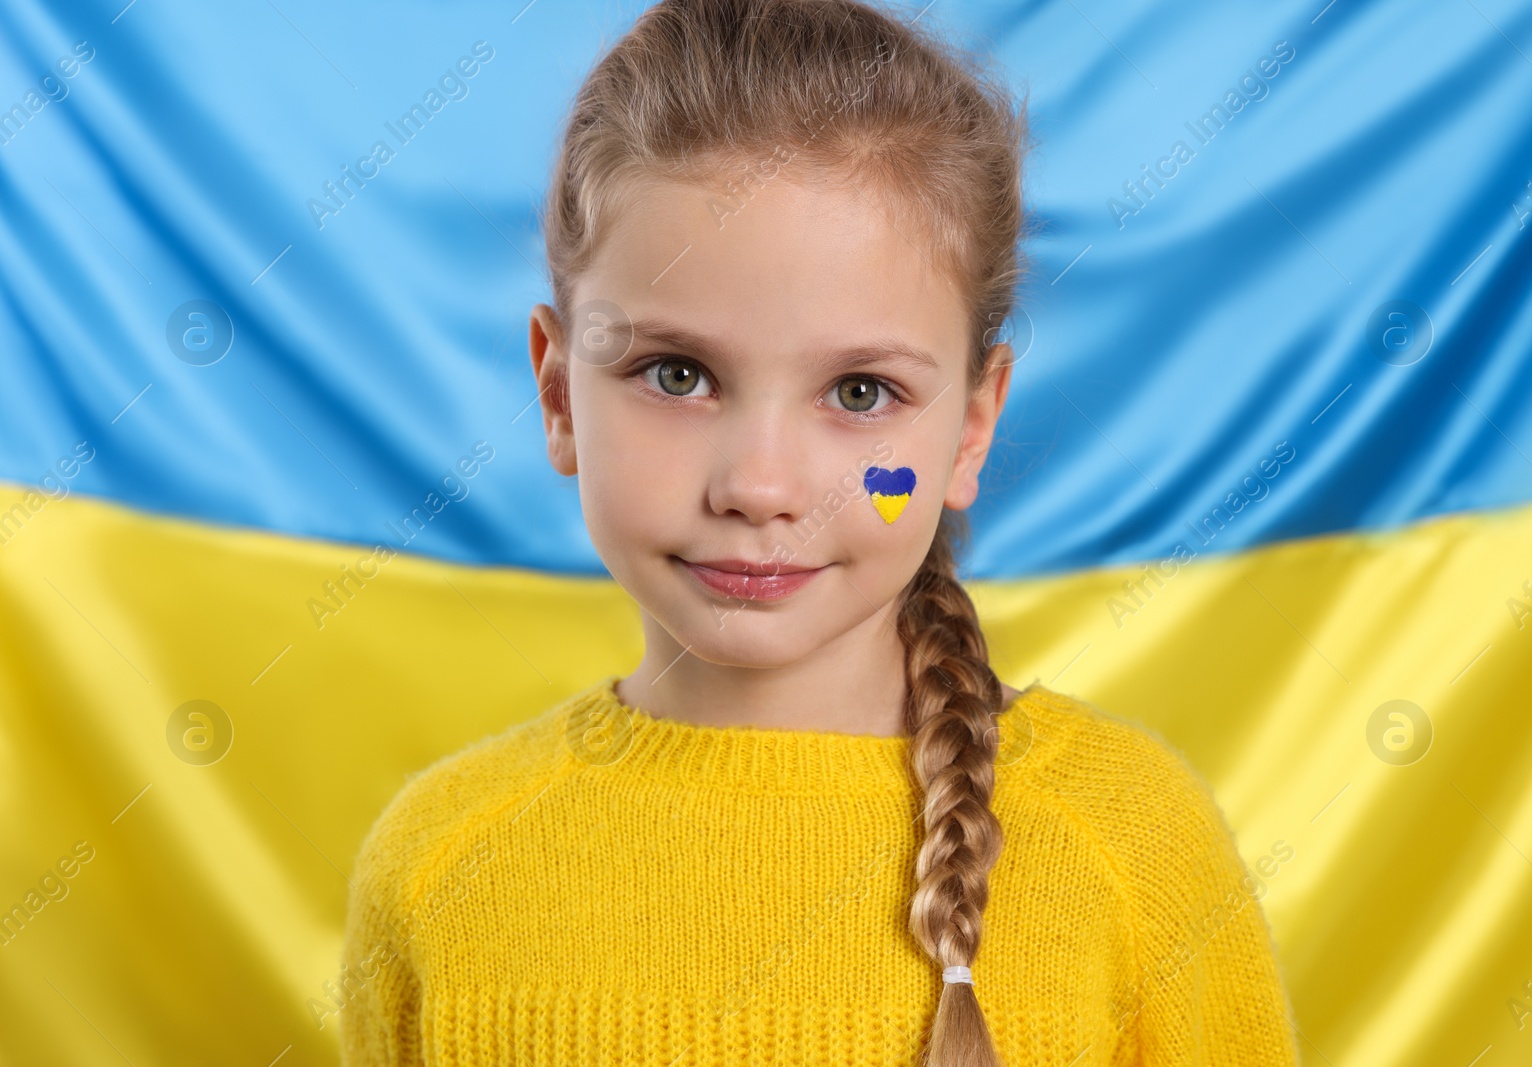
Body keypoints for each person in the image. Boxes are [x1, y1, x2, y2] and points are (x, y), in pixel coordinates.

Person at [339, 1, 1301, 1063]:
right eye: (677, 374)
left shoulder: (1130, 846)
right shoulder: (440, 863)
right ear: (559, 394)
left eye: (858, 390)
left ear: (970, 427)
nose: (760, 485)